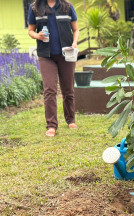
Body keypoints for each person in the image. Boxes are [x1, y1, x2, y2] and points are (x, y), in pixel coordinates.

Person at [28, 0, 79, 137]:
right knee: (49, 89)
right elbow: (30, 30)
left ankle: (71, 119)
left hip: (66, 53)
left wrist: (74, 43)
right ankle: (51, 125)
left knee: (68, 89)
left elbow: (76, 29)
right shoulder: (35, 8)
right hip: (46, 55)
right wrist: (37, 36)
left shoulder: (67, 7)